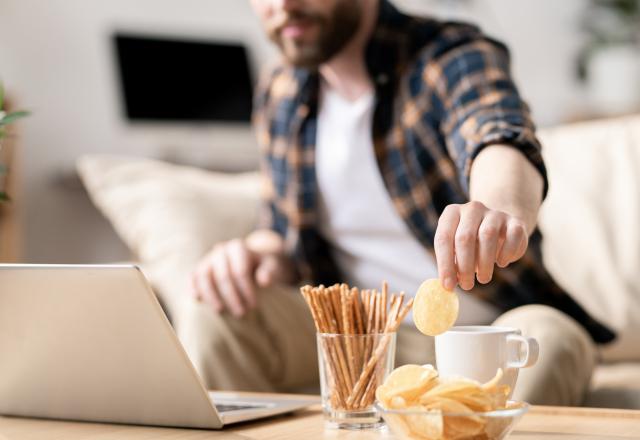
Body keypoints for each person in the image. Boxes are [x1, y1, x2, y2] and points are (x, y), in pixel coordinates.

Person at [178, 0, 615, 405]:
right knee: (215, 314)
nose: (283, 5)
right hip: (355, 336)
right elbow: (281, 233)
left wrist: (496, 205)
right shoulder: (279, 90)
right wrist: (255, 253)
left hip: (484, 328)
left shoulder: (450, 53)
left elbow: (496, 132)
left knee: (550, 339)